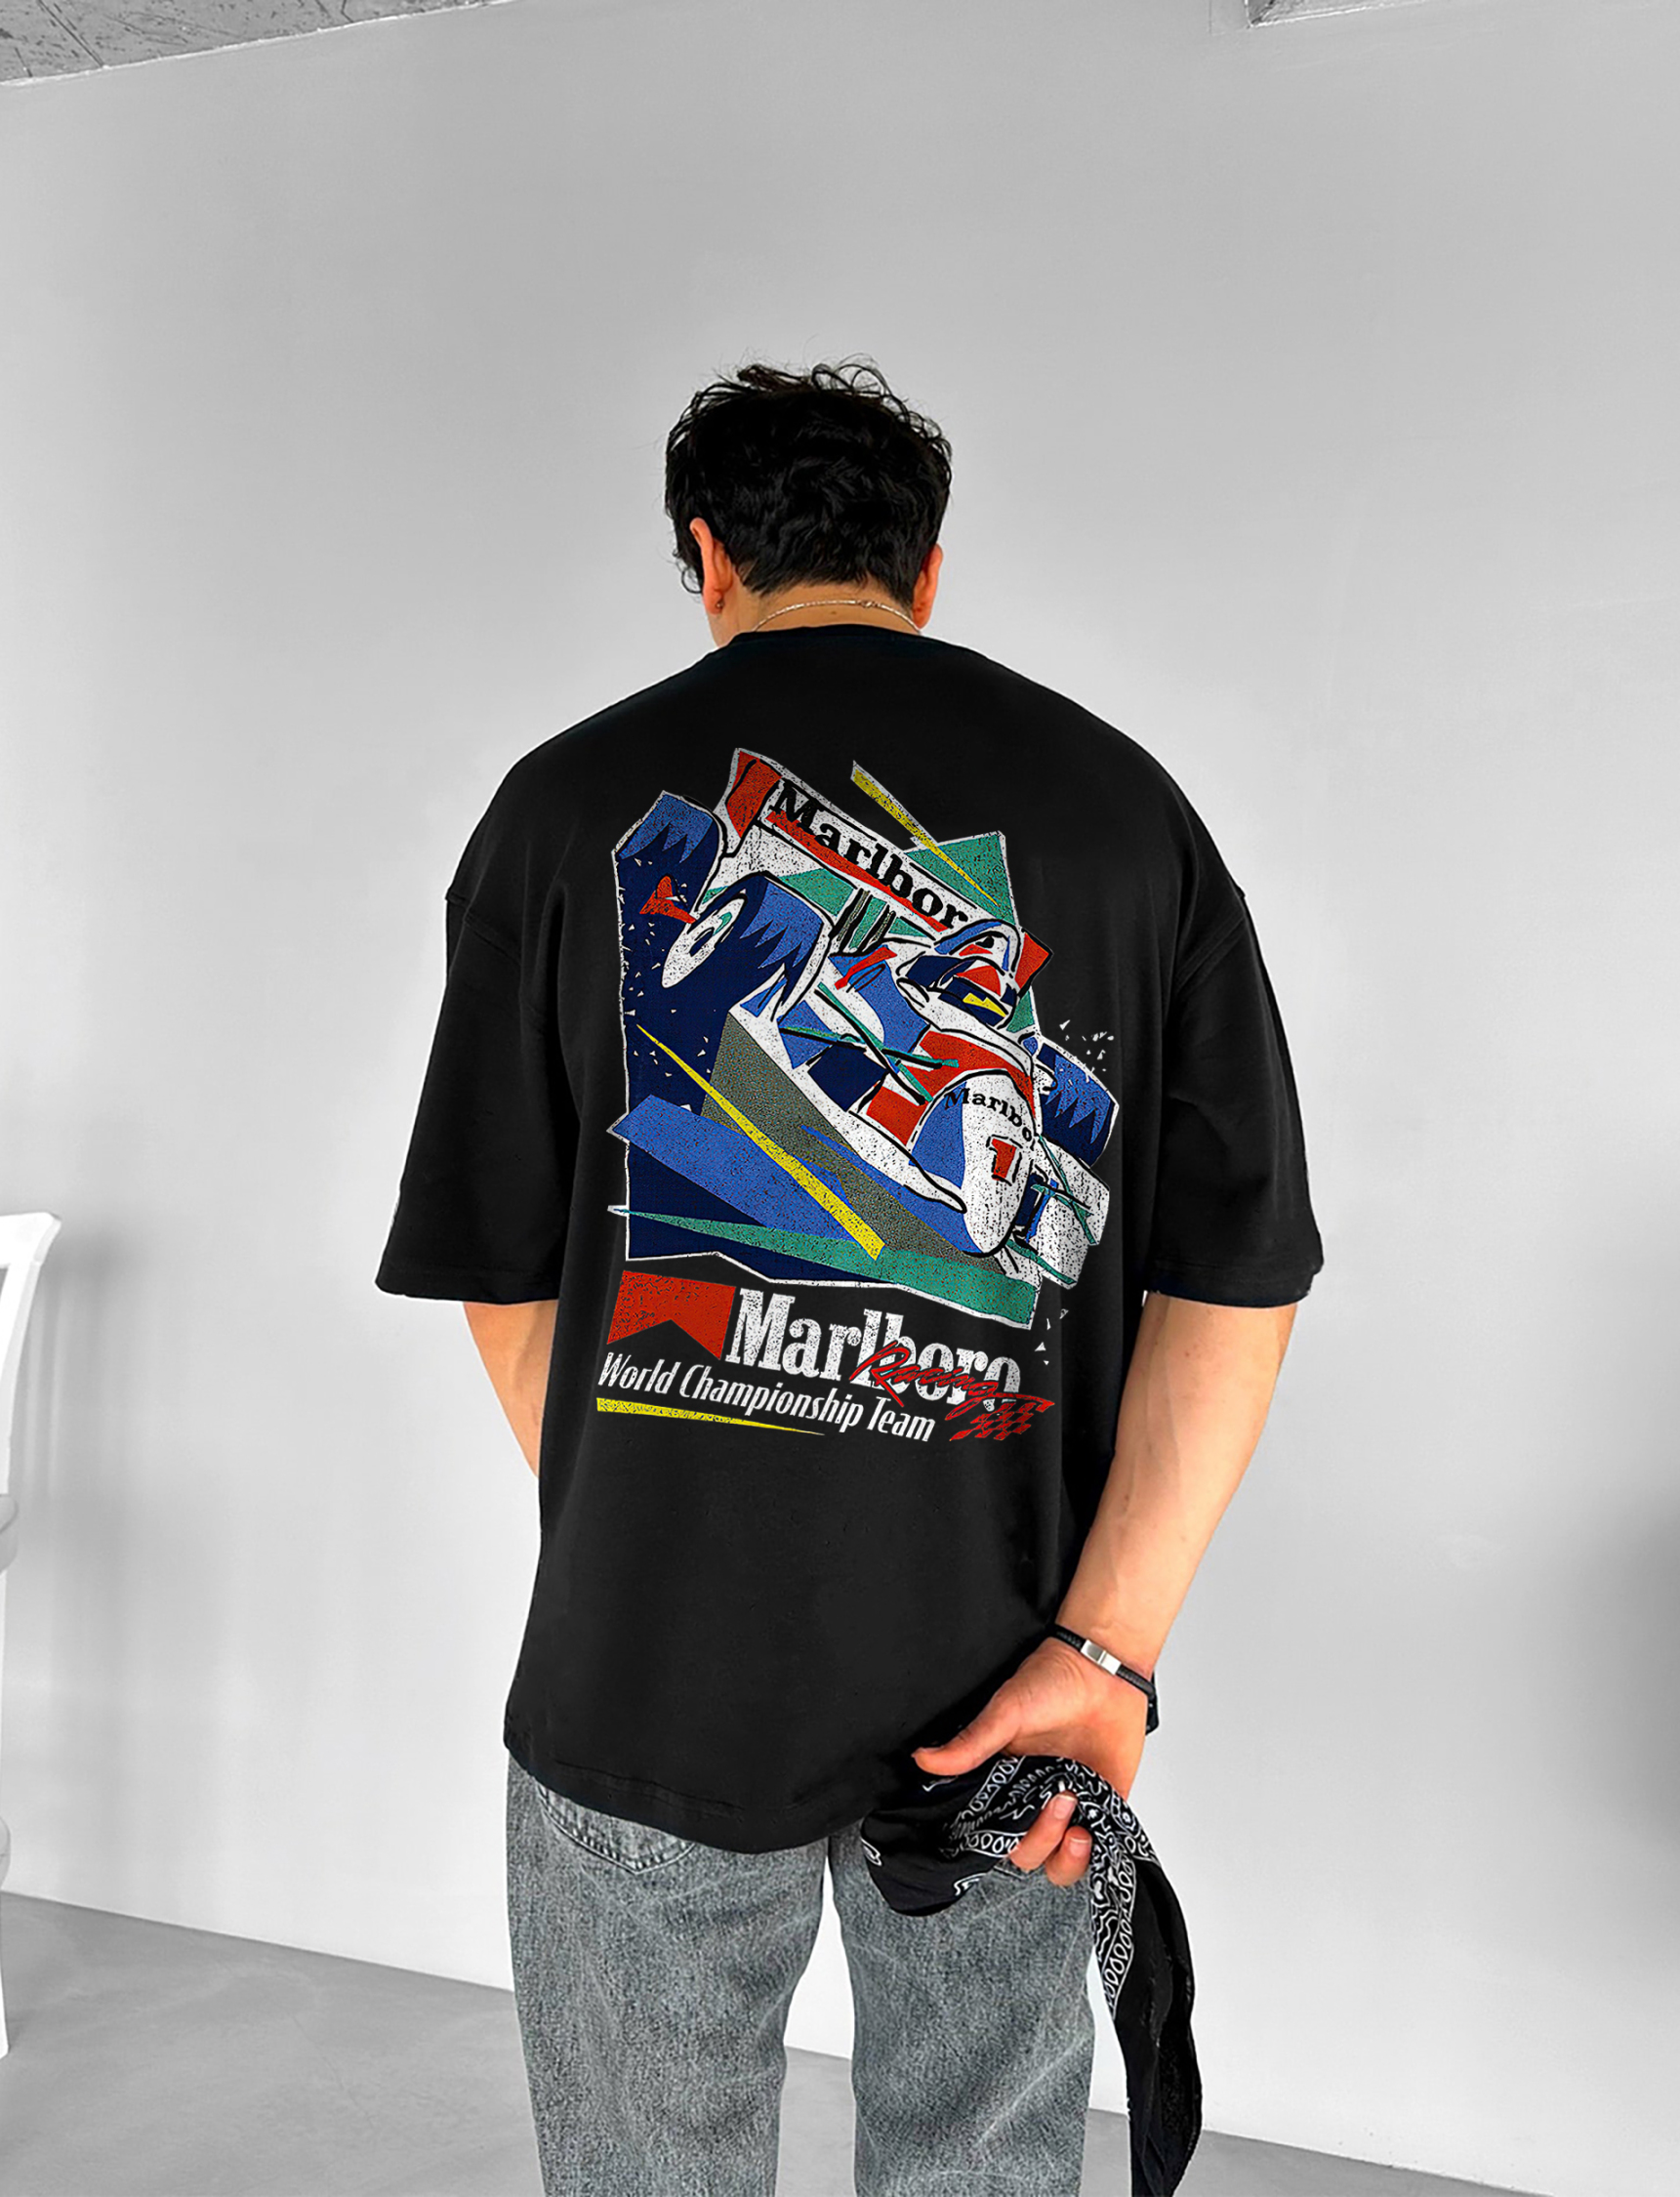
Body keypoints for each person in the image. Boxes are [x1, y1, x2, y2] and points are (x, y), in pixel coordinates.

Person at [375, 359, 1323, 2197]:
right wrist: (1106, 1652)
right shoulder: (1128, 813)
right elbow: (1235, 1281)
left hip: (645, 1664)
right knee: (981, 2160)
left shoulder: (557, 809)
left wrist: (646, 1516)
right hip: (1010, 1681)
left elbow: (501, 1269)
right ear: (928, 567)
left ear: (706, 556)